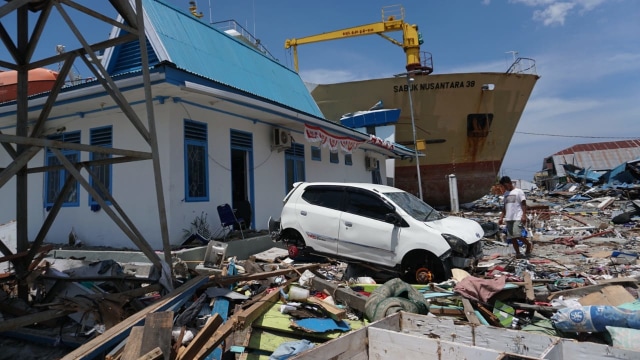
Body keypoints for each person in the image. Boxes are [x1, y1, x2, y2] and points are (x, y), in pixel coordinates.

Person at [498, 176, 533, 259]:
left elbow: (524, 204)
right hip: (509, 218)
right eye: (504, 186)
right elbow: (504, 207)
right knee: (511, 237)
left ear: (510, 183)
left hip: (518, 217)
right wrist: (501, 217)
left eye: (506, 186)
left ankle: (528, 244)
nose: (505, 188)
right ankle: (518, 253)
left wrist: (524, 215)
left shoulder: (519, 192)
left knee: (517, 235)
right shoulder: (506, 194)